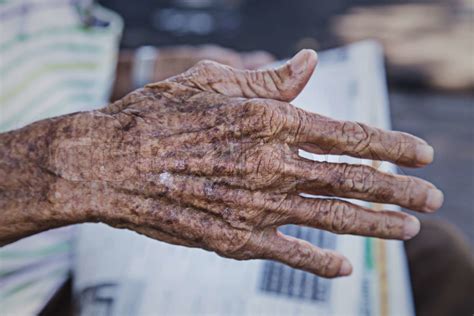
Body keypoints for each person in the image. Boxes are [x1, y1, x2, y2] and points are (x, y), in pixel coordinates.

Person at [0, 1, 472, 315]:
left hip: (78, 231)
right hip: (26, 285)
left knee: (431, 261)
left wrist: (136, 69)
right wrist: (89, 161)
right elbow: (85, 163)